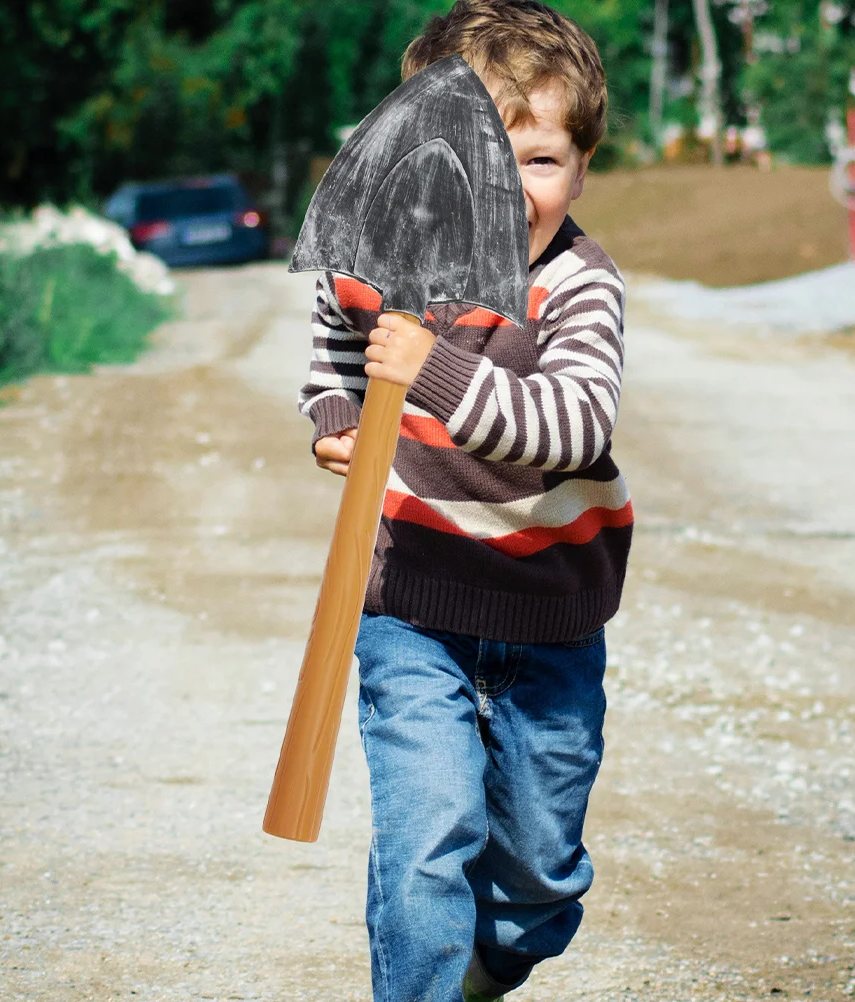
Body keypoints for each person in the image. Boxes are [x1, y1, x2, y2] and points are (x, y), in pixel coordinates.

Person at [298, 2, 632, 999]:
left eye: (536, 160)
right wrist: (332, 409)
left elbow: (570, 426)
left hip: (548, 616)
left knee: (538, 882)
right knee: (426, 836)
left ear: (580, 167)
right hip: (413, 602)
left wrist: (432, 372)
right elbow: (334, 323)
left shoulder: (579, 288)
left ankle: (489, 969)